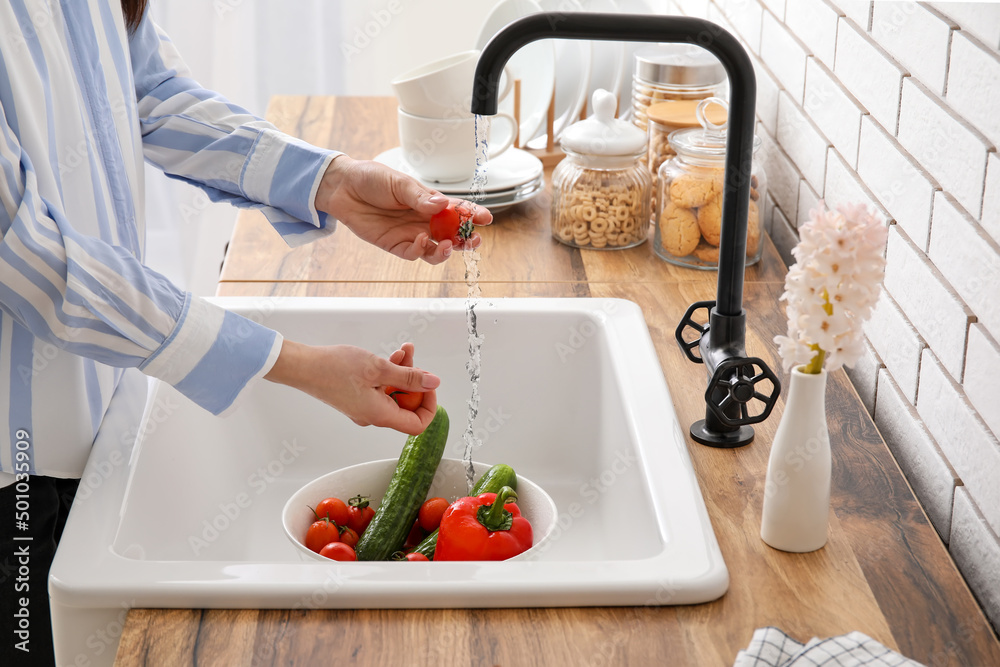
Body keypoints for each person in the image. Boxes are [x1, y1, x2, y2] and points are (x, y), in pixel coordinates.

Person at [0, 0, 492, 663]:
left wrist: (331, 181)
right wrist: (292, 363)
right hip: (16, 466)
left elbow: (149, 93)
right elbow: (32, 259)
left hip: (106, 404)